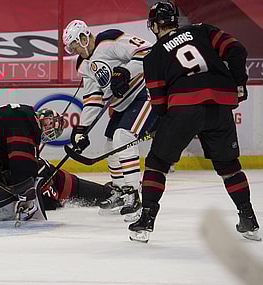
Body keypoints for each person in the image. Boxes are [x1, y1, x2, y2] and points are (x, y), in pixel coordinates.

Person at [129, 1, 260, 242]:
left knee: (157, 162)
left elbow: (159, 104)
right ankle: (249, 219)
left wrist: (165, 126)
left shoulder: (154, 55)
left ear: (155, 25)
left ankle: (146, 220)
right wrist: (238, 82)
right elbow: (237, 49)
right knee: (229, 167)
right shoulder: (203, 30)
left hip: (184, 106)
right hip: (220, 105)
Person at [62, 20, 159, 220]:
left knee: (123, 137)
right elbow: (93, 98)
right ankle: (121, 191)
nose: (75, 51)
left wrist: (125, 72)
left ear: (83, 37)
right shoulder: (84, 65)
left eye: (74, 46)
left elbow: (148, 51)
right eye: (71, 49)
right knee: (110, 146)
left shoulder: (109, 40)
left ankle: (134, 196)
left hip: (144, 94)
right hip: (122, 105)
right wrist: (82, 129)